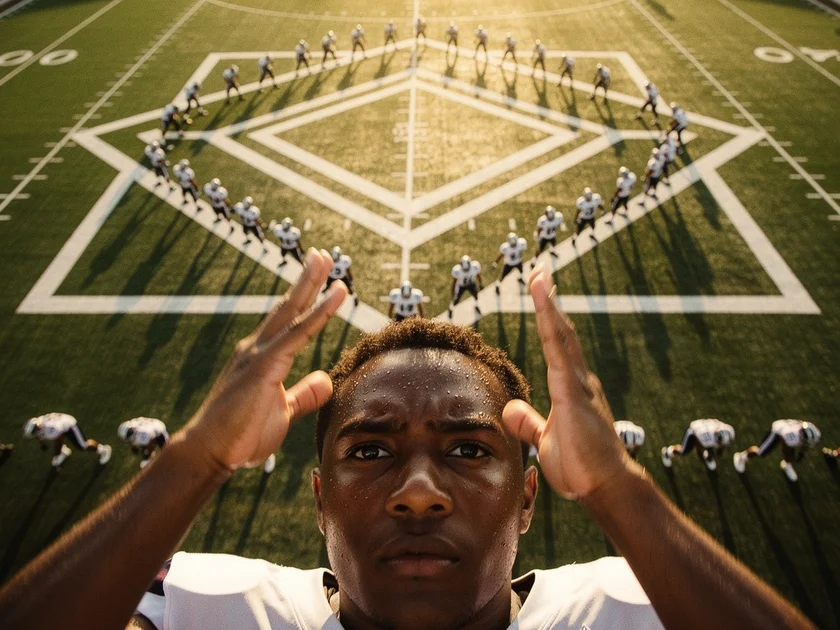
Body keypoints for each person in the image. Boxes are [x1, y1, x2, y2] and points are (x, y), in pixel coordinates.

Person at [0, 254, 815, 630]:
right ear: (316, 500)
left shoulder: (641, 609)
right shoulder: (204, 611)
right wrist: (194, 459)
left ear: (528, 494)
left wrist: (622, 489)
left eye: (467, 448)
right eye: (368, 449)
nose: (417, 490)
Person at [733, 419, 821, 482]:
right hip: (778, 431)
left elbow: (806, 443)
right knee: (761, 452)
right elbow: (785, 448)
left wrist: (801, 453)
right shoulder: (791, 436)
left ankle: (786, 465)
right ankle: (742, 456)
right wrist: (789, 457)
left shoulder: (810, 431)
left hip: (789, 433)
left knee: (791, 455)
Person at [22, 412, 111, 470]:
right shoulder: (40, 422)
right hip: (59, 425)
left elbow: (59, 440)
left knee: (83, 445)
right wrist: (41, 443)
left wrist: (56, 454)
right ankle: (63, 453)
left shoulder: (51, 429)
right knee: (56, 440)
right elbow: (39, 436)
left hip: (69, 425)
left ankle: (104, 450)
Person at [661, 418, 735, 471]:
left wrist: (720, 449)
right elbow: (699, 444)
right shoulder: (707, 438)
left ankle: (708, 458)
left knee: (710, 450)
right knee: (684, 451)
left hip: (704, 431)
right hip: (693, 432)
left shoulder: (727, 430)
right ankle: (667, 453)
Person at [449, 254, 483, 319]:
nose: (466, 271)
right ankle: (451, 308)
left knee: (476, 296)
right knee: (455, 300)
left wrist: (480, 283)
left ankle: (476, 305)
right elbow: (454, 283)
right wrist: (453, 292)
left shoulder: (475, 267)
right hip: (461, 286)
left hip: (471, 284)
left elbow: (478, 276)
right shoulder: (457, 271)